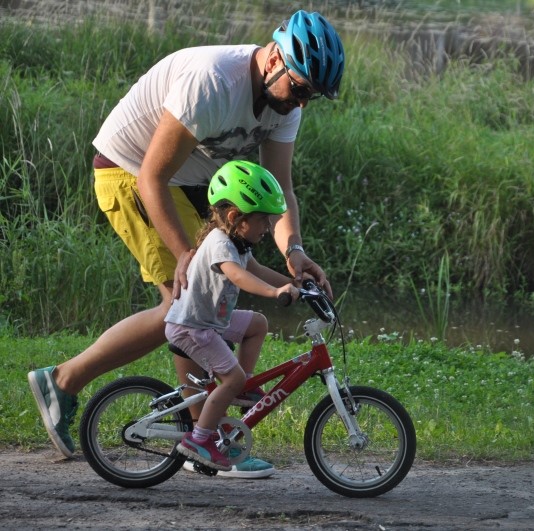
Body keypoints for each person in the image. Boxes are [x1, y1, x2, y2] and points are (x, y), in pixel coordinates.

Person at [27, 10, 344, 478]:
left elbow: (281, 190)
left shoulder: (285, 106)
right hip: (131, 171)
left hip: (192, 182)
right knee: (181, 305)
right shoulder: (214, 81)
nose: (303, 102)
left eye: (313, 96)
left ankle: (201, 437)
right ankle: (65, 381)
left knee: (200, 308)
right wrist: (185, 256)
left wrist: (294, 252)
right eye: (300, 89)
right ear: (275, 57)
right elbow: (152, 175)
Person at [168, 161, 298, 470]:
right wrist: (273, 293)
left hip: (209, 323)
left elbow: (256, 269)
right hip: (191, 328)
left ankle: (244, 385)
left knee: (257, 324)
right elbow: (238, 277)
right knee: (232, 376)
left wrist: (294, 283)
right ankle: (199, 439)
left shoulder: (237, 243)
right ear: (234, 218)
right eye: (264, 221)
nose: (268, 228)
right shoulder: (220, 243)